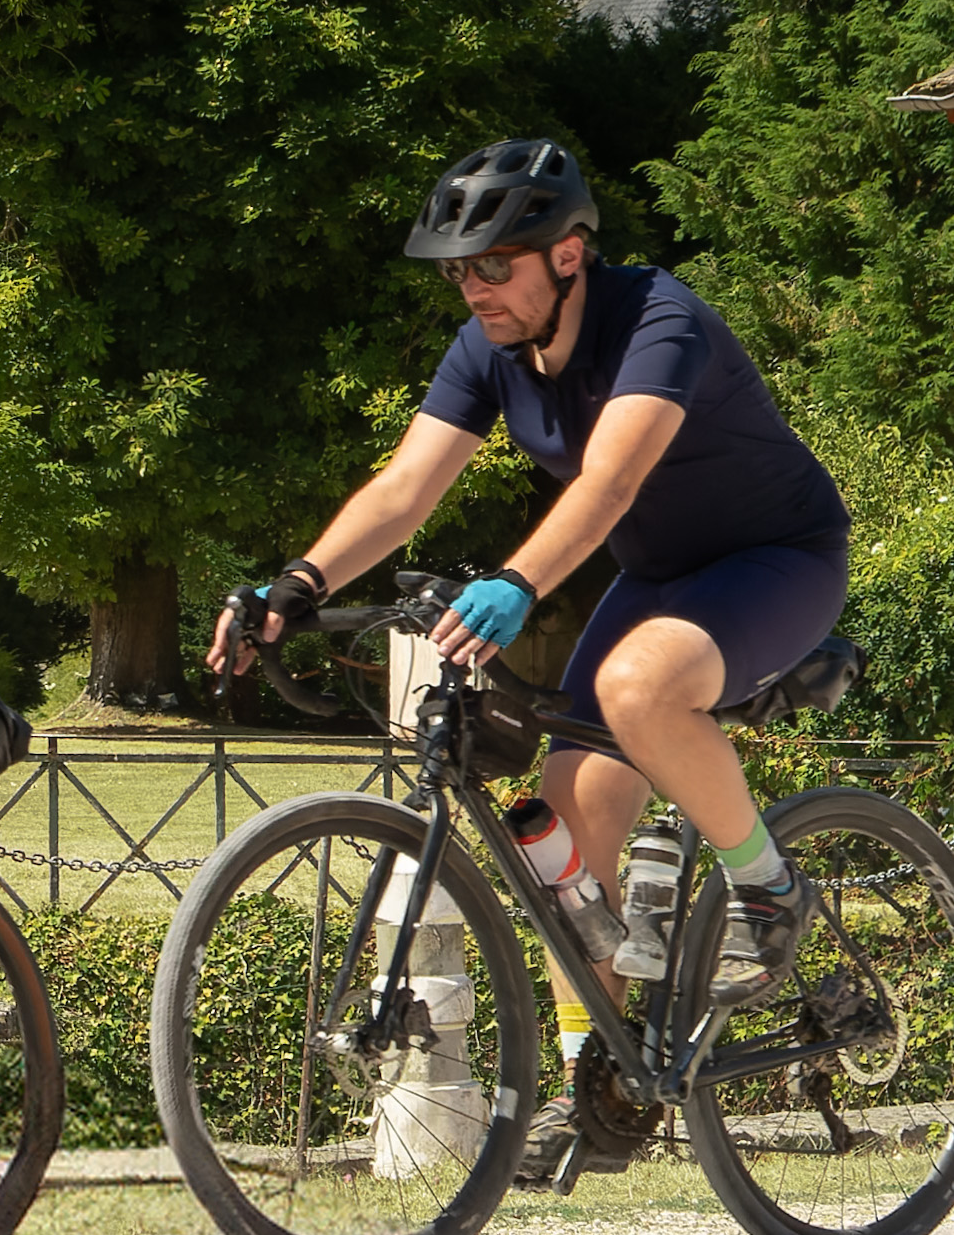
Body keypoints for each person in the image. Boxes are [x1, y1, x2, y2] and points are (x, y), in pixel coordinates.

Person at [209, 139, 850, 1152]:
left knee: (638, 689)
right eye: (458, 270)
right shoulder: (488, 351)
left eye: (491, 265)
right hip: (658, 576)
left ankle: (770, 888)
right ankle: (598, 1082)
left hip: (775, 558)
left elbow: (608, 483)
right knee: (562, 816)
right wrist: (298, 580)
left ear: (567, 252)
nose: (472, 288)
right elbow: (402, 488)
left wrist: (515, 581)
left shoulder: (658, 319)